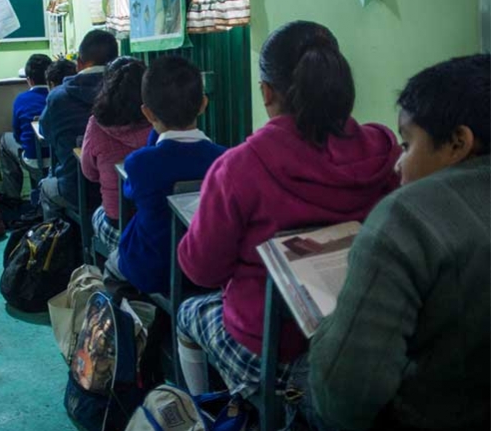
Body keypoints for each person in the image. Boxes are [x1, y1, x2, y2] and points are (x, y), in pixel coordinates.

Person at [175, 21, 401, 405]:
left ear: (266, 92)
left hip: (271, 350)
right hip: (362, 336)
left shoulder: (239, 167)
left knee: (188, 312)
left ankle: (210, 412)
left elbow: (202, 270)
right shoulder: (384, 149)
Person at [309, 54, 490, 431]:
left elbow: (344, 399)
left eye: (407, 145)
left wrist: (330, 327)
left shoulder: (406, 217)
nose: (398, 163)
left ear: (458, 143)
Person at [104, 56, 227, 295]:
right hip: (202, 273)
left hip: (152, 270)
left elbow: (130, 192)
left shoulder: (139, 163)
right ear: (203, 104)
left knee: (112, 265)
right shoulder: (225, 159)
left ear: (147, 113)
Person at [38, 29, 119, 219]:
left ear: (79, 63)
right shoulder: (127, 93)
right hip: (124, 190)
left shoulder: (58, 97)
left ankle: (56, 234)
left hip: (75, 188)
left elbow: (45, 133)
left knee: (45, 187)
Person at [80, 57, 152, 251]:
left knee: (96, 214)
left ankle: (103, 263)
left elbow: (89, 173)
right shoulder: (158, 121)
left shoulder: (96, 124)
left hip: (118, 225)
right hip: (154, 225)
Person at [0, 54, 53, 201]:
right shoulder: (58, 96)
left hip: (34, 162)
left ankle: (12, 195)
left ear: (29, 80)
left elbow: (17, 135)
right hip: (58, 162)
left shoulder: (21, 99)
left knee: (4, 139)